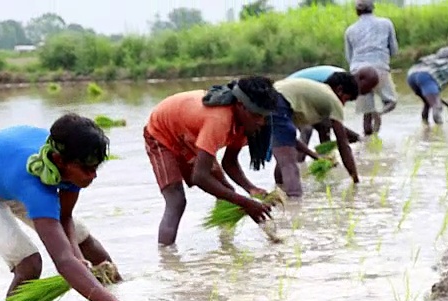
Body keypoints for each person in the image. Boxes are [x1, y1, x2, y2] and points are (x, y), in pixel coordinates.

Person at [0, 114, 152, 301]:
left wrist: (78, 257)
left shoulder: (70, 163)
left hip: (6, 174)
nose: (93, 175)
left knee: (85, 242)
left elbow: (65, 217)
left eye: (96, 168)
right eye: (87, 169)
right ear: (59, 160)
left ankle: (118, 290)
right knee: (29, 264)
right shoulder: (36, 187)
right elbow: (64, 262)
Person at [143, 76, 278, 246]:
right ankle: (167, 257)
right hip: (162, 132)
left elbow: (229, 163)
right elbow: (200, 177)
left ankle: (226, 243)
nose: (261, 122)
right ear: (241, 106)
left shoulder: (245, 125)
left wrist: (250, 189)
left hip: (190, 134)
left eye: (264, 117)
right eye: (257, 115)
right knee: (176, 201)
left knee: (227, 190)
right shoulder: (219, 120)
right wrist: (246, 203)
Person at [271, 75, 360, 197]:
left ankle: (281, 193)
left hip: (269, 96)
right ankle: (295, 204)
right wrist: (355, 179)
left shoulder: (317, 94)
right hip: (280, 99)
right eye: (346, 99)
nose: (343, 105)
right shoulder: (333, 99)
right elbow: (343, 143)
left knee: (284, 155)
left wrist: (315, 156)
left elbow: (291, 139)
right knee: (288, 163)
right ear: (339, 90)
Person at [288, 65, 380, 162]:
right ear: (360, 79)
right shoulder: (338, 81)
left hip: (303, 97)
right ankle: (297, 164)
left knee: (323, 127)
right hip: (290, 95)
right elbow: (332, 121)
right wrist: (357, 138)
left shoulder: (345, 81)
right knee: (307, 128)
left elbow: (328, 120)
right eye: (368, 88)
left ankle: (326, 159)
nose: (368, 92)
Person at [345, 0, 399, 136]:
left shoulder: (350, 30)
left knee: (366, 113)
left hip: (358, 71)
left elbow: (349, 57)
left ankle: (368, 143)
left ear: (357, 11)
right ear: (372, 8)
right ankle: (379, 113)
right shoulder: (386, 23)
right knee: (391, 102)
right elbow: (394, 50)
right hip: (379, 68)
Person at [407, 46, 448, 125]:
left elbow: (431, 96)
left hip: (411, 75)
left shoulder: (430, 58)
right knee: (437, 106)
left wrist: (446, 103)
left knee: (428, 103)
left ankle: (425, 127)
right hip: (426, 76)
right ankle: (439, 131)